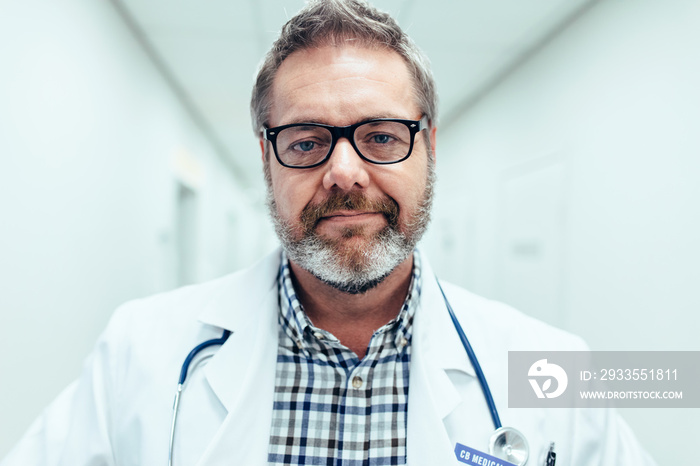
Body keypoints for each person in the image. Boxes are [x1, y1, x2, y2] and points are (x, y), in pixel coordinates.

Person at [2, 1, 655, 465]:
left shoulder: (559, 373)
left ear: (427, 145)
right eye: (308, 140)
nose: (345, 173)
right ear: (266, 158)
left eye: (379, 136)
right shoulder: (138, 355)